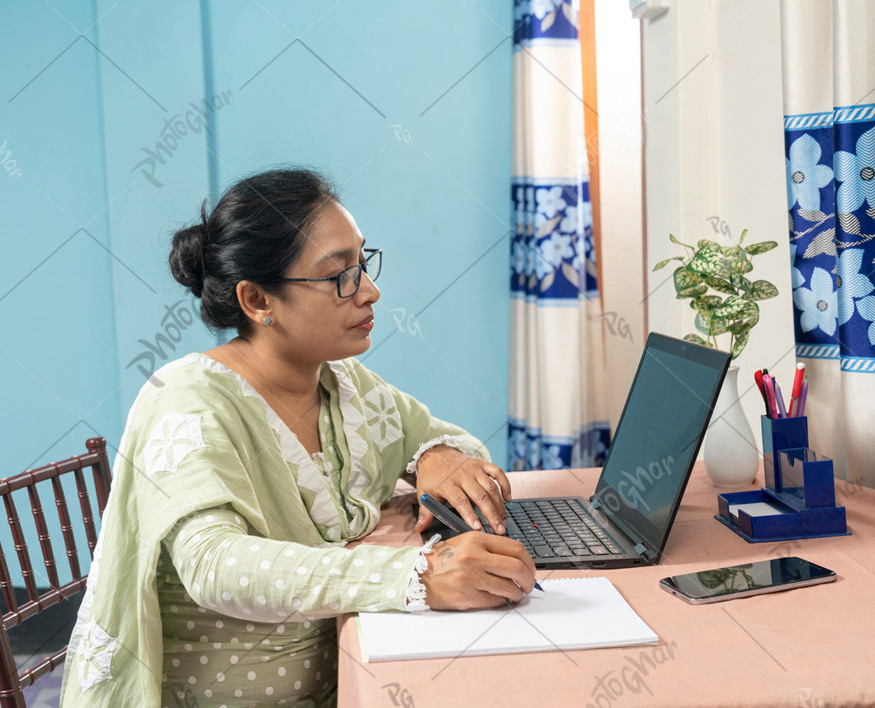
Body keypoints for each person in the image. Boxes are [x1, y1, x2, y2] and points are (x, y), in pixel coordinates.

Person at [58, 168, 537, 708]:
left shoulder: (342, 383)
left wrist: (437, 457)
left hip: (346, 675)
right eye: (340, 276)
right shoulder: (188, 400)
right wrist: (415, 575)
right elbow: (214, 566)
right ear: (258, 300)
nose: (371, 291)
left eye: (364, 263)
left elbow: (455, 443)